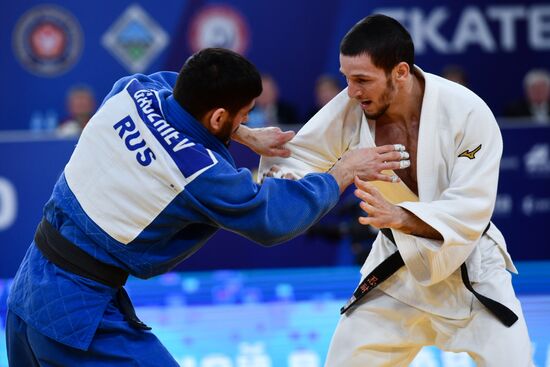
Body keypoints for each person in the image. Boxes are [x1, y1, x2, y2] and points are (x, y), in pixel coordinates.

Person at [5, 47, 407, 366]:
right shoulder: (200, 173)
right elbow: (273, 218)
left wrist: (245, 134)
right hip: (75, 316)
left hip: (26, 290)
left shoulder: (131, 90)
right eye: (243, 115)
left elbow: (177, 88)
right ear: (218, 117)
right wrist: (343, 170)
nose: (245, 121)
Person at [260, 15, 533, 367]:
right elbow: (301, 157)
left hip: (471, 271)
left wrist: (402, 216)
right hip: (397, 270)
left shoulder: (467, 112)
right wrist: (271, 190)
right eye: (346, 78)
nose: (352, 91)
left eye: (362, 79)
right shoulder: (353, 106)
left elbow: (472, 206)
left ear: (400, 72)